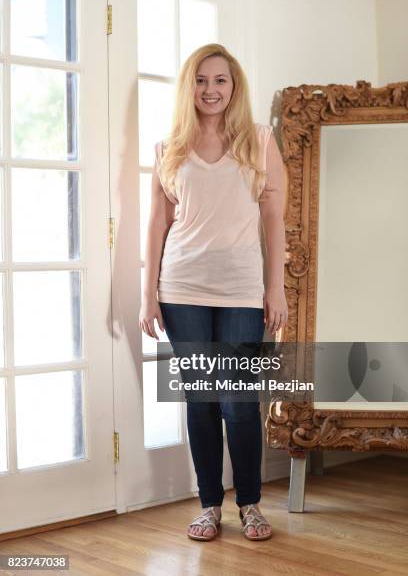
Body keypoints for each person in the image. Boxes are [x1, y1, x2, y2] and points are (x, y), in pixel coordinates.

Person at [139, 43, 287, 541]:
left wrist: (276, 288)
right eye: (201, 80)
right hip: (181, 286)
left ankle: (250, 504)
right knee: (201, 399)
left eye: (220, 80)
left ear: (234, 86)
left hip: (243, 287)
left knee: (238, 401)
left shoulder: (260, 140)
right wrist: (147, 294)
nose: (211, 90)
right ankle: (208, 506)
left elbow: (274, 219)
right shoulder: (168, 148)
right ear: (190, 87)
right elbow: (157, 226)